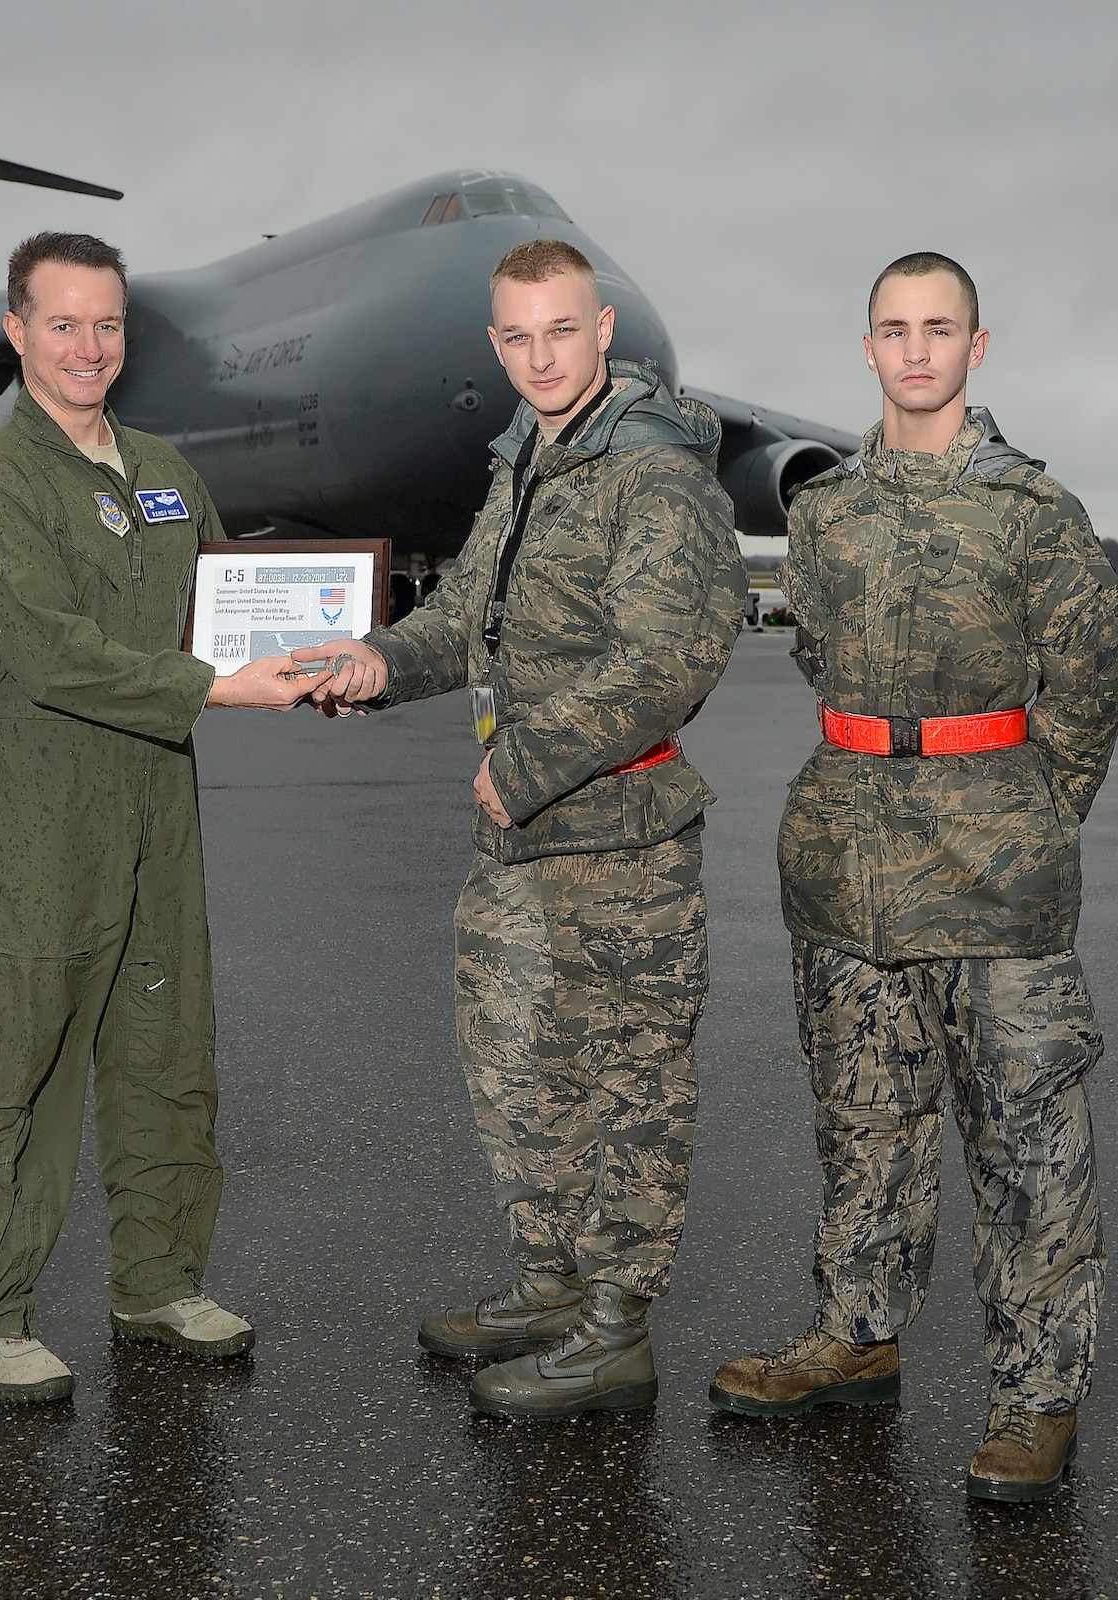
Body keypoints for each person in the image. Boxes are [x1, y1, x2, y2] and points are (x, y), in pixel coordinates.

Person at [708, 253, 1118, 1504]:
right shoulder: (824, 510)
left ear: (974, 347)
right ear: (867, 347)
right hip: (846, 858)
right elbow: (821, 661)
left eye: (935, 329)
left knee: (1025, 1139)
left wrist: (1029, 813)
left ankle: (1035, 1396)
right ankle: (853, 1334)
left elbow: (1088, 682)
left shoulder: (1029, 511)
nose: (913, 351)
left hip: (993, 865)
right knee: (861, 1118)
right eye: (891, 330)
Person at [296, 239, 746, 1419]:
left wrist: (530, 761)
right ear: (495, 346)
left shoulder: (651, 470)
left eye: (562, 332)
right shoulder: (532, 456)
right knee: (516, 1069)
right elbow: (464, 618)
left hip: (617, 836)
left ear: (603, 332)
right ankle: (549, 1285)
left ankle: (613, 1329)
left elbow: (670, 657)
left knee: (628, 1087)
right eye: (517, 338)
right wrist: (376, 662)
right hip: (518, 840)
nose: (540, 357)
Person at [0, 232, 314, 1404]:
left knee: (165, 1051)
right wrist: (219, 686)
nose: (88, 347)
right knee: (24, 1064)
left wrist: (305, 661)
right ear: (16, 331)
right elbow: (55, 655)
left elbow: (222, 602)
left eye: (106, 325)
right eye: (62, 324)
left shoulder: (160, 468)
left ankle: (156, 1280)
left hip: (156, 806)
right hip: (43, 817)